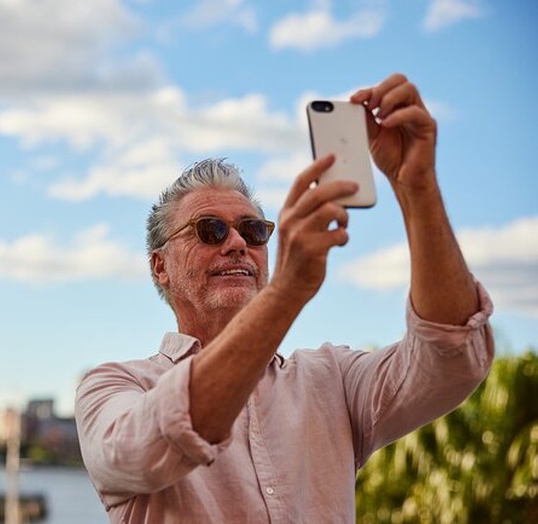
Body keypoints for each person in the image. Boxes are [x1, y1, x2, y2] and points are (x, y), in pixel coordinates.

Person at [74, 73, 494, 523]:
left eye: (253, 231)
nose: (237, 243)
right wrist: (288, 292)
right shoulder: (114, 386)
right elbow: (155, 442)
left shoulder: (331, 380)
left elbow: (451, 357)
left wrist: (418, 187)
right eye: (210, 230)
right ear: (160, 266)